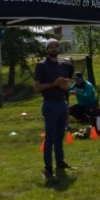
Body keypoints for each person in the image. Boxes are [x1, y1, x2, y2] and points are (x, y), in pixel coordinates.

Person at [33, 39, 72, 180]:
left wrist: (64, 85)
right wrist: (54, 84)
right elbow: (36, 87)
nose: (54, 49)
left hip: (62, 103)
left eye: (56, 46)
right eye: (51, 47)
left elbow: (67, 84)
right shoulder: (41, 66)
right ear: (47, 49)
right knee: (50, 137)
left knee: (60, 135)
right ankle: (48, 168)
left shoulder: (63, 64)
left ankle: (60, 162)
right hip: (50, 104)